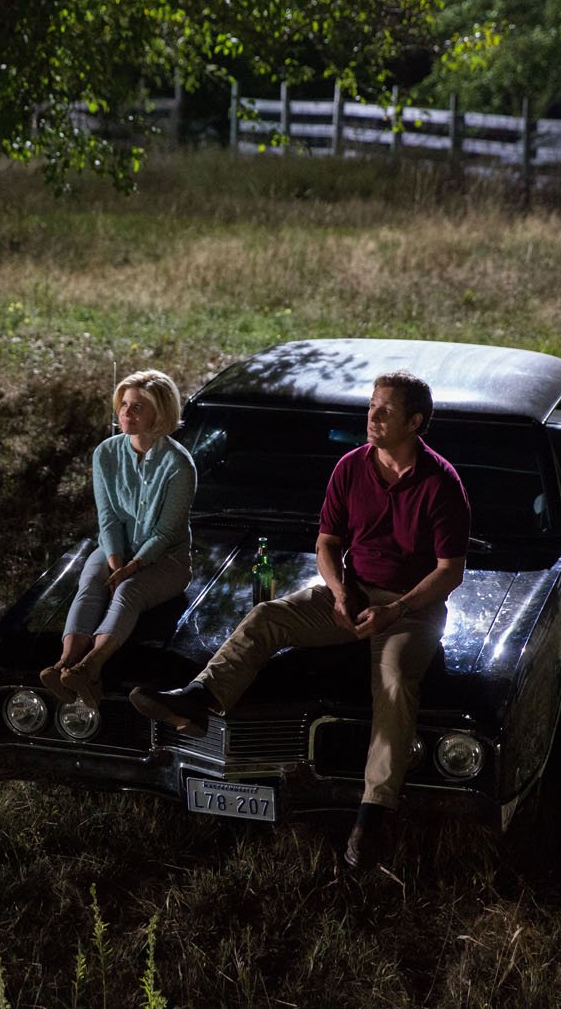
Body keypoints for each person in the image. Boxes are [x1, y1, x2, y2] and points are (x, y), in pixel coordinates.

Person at [130, 370, 469, 868]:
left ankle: (374, 814)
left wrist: (394, 609)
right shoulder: (351, 468)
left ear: (415, 422)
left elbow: (450, 572)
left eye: (386, 411)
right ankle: (199, 698)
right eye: (372, 406)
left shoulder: (441, 483)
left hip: (410, 608)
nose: (372, 417)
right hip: (350, 592)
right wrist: (337, 593)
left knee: (394, 681)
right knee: (269, 614)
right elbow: (327, 544)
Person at [42, 370, 196, 710]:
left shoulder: (178, 465)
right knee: (90, 580)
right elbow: (108, 517)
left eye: (138, 407)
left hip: (166, 558)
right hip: (117, 548)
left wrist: (132, 568)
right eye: (124, 404)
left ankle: (90, 667)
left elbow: (166, 533)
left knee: (130, 590)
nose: (126, 413)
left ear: (161, 413)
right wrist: (115, 562)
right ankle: (63, 665)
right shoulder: (106, 453)